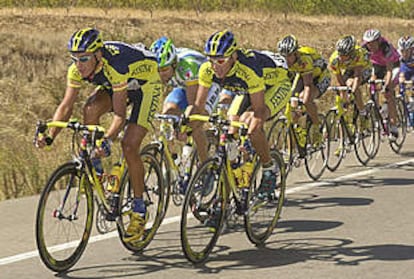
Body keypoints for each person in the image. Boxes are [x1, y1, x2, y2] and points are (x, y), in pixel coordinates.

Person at [34, 28, 163, 243]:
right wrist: (50, 136)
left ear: (97, 55)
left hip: (145, 86)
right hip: (117, 84)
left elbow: (120, 116)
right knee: (90, 110)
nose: (78, 64)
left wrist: (107, 139)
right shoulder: (76, 70)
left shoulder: (116, 66)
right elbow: (66, 106)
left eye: (83, 59)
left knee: (129, 145)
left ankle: (139, 211)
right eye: (74, 59)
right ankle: (99, 173)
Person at [189, 29, 292, 202]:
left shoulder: (248, 70)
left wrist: (253, 125)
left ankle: (269, 168)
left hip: (277, 85)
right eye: (211, 60)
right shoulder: (206, 70)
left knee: (252, 126)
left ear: (233, 57)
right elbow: (199, 107)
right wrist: (189, 123)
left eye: (220, 61)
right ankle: (227, 194)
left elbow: (259, 110)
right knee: (231, 130)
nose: (215, 66)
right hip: (249, 89)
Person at [149, 36, 222, 164]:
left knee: (194, 123)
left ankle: (205, 166)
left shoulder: (187, 65)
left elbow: (193, 105)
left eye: (165, 69)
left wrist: (184, 127)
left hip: (207, 85)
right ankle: (174, 161)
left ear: (174, 64)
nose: (161, 74)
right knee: (167, 114)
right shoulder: (162, 67)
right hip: (184, 85)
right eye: (158, 70)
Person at [277, 34, 331, 142]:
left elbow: (308, 84)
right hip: (301, 75)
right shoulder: (282, 60)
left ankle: (317, 127)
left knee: (306, 100)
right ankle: (297, 133)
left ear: (296, 53)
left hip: (319, 77)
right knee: (293, 105)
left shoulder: (304, 59)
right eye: (284, 56)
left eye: (289, 56)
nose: (286, 59)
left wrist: (305, 101)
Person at [362, 28, 400, 140]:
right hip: (377, 65)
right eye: (368, 44)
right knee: (371, 84)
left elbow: (389, 71)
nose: (371, 46)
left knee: (388, 92)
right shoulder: (364, 48)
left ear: (378, 41)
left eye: (373, 43)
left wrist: (386, 86)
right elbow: (364, 65)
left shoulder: (385, 48)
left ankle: (393, 126)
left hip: (393, 65)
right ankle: (378, 109)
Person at [328, 35, 372, 117]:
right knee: (341, 89)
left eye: (344, 55)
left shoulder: (359, 54)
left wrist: (352, 91)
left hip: (364, 68)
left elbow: (357, 75)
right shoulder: (334, 60)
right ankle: (344, 115)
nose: (341, 58)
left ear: (351, 53)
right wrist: (343, 92)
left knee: (352, 84)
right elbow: (339, 78)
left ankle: (363, 111)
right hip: (349, 69)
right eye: (340, 54)